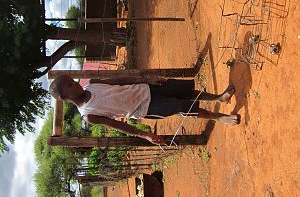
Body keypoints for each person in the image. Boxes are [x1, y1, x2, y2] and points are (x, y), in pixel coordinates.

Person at [49, 75, 238, 145]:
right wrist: (143, 134)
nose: (76, 84)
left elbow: (119, 81)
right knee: (183, 107)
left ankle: (218, 98)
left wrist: (145, 79)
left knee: (185, 92)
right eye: (71, 86)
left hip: (146, 89)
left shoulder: (92, 84)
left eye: (73, 81)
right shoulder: (89, 114)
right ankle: (218, 117)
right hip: (145, 108)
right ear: (66, 97)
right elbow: (117, 125)